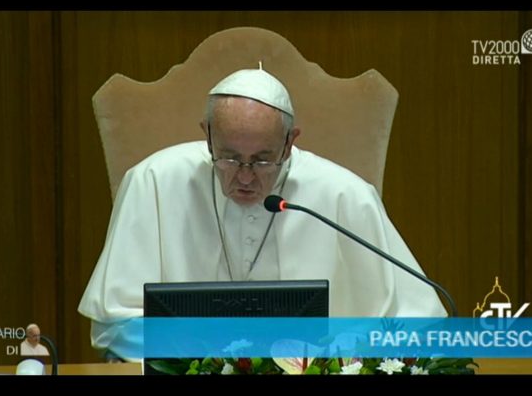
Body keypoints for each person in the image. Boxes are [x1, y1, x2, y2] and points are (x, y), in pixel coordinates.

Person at [78, 66, 447, 361]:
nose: (244, 177)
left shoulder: (344, 195)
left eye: (262, 160)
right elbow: (114, 326)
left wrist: (337, 356)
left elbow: (419, 323)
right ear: (207, 135)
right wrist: (206, 359)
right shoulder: (153, 182)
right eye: (228, 157)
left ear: (289, 142)